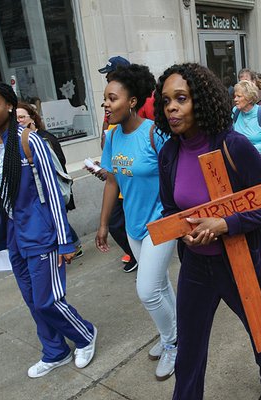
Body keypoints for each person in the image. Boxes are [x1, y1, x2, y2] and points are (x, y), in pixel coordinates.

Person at [154, 63, 261, 400]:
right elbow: (170, 209)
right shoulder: (168, 154)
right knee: (189, 351)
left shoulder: (233, 146)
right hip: (196, 267)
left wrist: (225, 224)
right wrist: (184, 231)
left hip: (239, 262)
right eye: (166, 101)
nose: (171, 108)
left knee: (259, 328)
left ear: (201, 101)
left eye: (180, 98)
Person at [0, 81, 96, 378]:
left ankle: (85, 335)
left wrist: (65, 241)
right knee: (33, 301)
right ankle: (55, 351)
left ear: (9, 105)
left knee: (48, 299)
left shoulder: (31, 141)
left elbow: (54, 194)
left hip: (42, 235)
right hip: (16, 236)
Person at [95, 64, 178, 381]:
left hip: (161, 224)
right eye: (104, 99)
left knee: (147, 291)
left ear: (131, 102)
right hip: (134, 227)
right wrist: (103, 225)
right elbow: (112, 182)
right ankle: (173, 331)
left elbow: (175, 174)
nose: (106, 104)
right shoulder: (113, 137)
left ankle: (173, 342)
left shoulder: (154, 133)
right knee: (159, 285)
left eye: (112, 98)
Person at [87, 57, 138, 272]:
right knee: (118, 224)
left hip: (142, 196)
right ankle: (137, 257)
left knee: (150, 288)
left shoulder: (148, 125)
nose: (107, 78)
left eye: (110, 74)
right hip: (119, 182)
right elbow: (106, 140)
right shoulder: (113, 125)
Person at [16, 102, 83, 258]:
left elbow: (59, 163)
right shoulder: (18, 142)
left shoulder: (44, 139)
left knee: (55, 219)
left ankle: (72, 245)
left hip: (51, 189)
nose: (18, 121)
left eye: (21, 117)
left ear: (31, 118)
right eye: (15, 118)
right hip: (35, 194)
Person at [233, 80, 261, 170]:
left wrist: (252, 149)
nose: (235, 99)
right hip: (240, 162)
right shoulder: (235, 111)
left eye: (239, 96)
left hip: (260, 163)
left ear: (249, 98)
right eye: (235, 96)